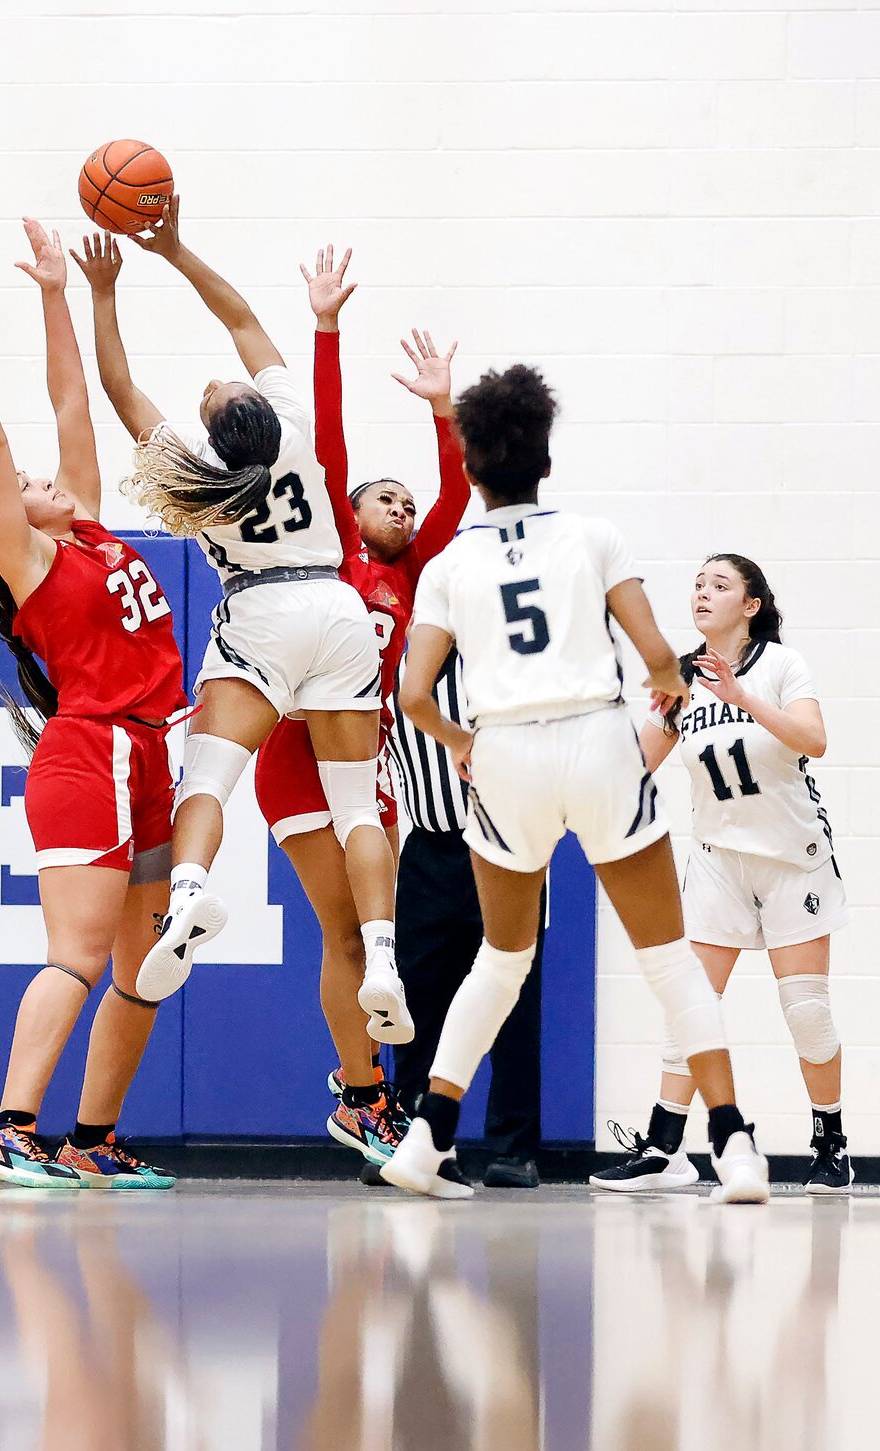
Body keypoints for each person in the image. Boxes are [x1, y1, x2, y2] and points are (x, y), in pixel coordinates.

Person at [380, 363, 770, 1204]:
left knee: (499, 958)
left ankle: (426, 1136)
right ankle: (734, 1145)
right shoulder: (592, 535)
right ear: (546, 462)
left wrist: (458, 742)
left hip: (506, 755)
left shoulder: (448, 563)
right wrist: (665, 685)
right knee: (669, 961)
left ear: (471, 470)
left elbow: (414, 694)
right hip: (596, 741)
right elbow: (659, 652)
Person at [0, 222, 181, 1190]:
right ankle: (8, 1126)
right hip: (87, 754)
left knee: (147, 969)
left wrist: (58, 291)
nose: (38, 480)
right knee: (79, 954)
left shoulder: (90, 530)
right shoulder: (28, 563)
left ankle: (91, 1139)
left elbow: (70, 408)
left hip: (145, 756)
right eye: (18, 489)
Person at [77, 204, 409, 1043]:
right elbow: (242, 319)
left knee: (207, 780)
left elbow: (117, 386)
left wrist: (105, 291)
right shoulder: (294, 428)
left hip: (262, 613)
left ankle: (188, 893)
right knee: (357, 811)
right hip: (337, 612)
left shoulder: (194, 477)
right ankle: (380, 949)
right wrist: (180, 249)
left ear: (221, 433)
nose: (218, 379)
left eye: (216, 388)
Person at [251, 246, 471, 1163]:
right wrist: (326, 327)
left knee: (370, 940)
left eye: (408, 501)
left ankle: (364, 1095)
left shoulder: (418, 576)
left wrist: (444, 412)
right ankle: (362, 1095)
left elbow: (458, 494)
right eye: (388, 497)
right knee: (344, 930)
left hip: (368, 759)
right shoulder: (335, 551)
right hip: (301, 750)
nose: (405, 506)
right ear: (350, 510)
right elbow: (328, 439)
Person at [594, 554, 848, 1193]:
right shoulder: (679, 679)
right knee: (691, 1004)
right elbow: (638, 767)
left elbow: (813, 740)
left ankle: (831, 1143)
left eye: (720, 585)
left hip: (794, 859)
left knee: (806, 1009)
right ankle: (664, 1148)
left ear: (751, 605)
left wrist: (742, 697)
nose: (703, 593)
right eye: (699, 584)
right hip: (716, 862)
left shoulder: (783, 665)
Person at [383, 642, 547, 1188]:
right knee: (417, 1002)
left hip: (503, 843)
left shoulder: (508, 662)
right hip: (428, 847)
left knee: (513, 1006)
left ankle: (514, 1148)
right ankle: (422, 1142)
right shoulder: (397, 663)